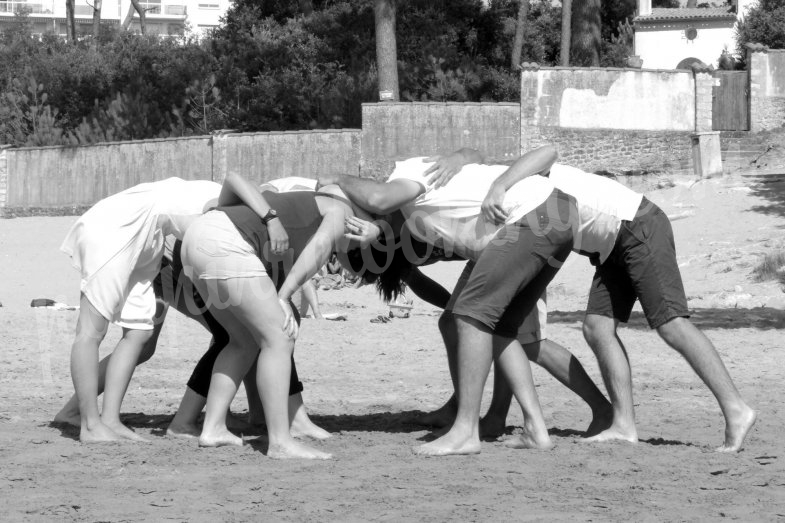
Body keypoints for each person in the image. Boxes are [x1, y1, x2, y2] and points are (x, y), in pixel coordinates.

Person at [417, 147, 757, 453]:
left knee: (671, 325)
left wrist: (496, 182)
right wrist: (458, 161)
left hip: (637, 225)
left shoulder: (516, 179)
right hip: (608, 247)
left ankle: (736, 409)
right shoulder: (508, 189)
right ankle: (623, 425)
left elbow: (546, 151)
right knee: (596, 328)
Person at [323, 147, 588, 452]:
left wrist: (338, 178)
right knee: (495, 328)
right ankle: (535, 431)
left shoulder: (406, 174)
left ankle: (465, 431)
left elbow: (378, 200)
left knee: (469, 318)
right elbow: (392, 225)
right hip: (559, 216)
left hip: (531, 217)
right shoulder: (411, 215)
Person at [178, 172, 373, 458]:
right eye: (353, 251)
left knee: (242, 341)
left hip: (197, 238)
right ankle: (281, 442)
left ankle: (213, 428)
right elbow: (319, 249)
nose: (344, 254)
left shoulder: (303, 204)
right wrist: (282, 296)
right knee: (280, 337)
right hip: (226, 243)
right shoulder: (340, 211)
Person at [58, 177, 222, 443]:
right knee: (91, 331)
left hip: (151, 236)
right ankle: (89, 424)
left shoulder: (233, 203)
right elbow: (196, 247)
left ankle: (110, 420)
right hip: (117, 227)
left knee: (140, 333)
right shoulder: (225, 204)